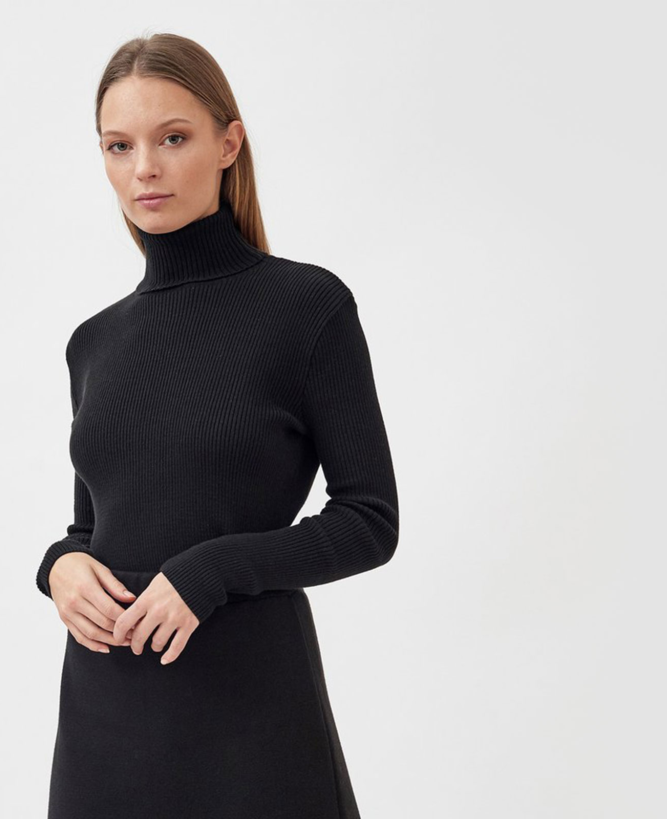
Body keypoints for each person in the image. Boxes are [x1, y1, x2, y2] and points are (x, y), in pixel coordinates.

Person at [34, 33, 399, 818]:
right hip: (104, 719)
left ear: (228, 143)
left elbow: (370, 520)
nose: (145, 168)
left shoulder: (306, 309)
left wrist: (212, 571)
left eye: (172, 138)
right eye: (119, 146)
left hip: (249, 718)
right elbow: (95, 524)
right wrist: (59, 565)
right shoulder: (92, 343)